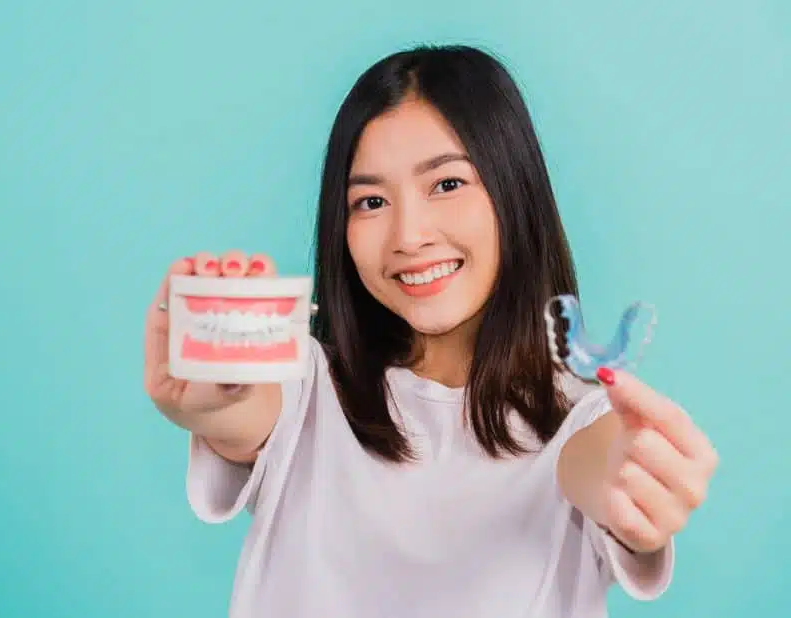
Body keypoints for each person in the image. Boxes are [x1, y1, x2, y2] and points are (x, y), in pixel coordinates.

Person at [142, 44, 718, 617]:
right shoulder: (308, 385)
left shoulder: (576, 422)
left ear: (514, 192)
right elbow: (244, 413)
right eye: (370, 201)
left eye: (446, 185)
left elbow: (597, 465)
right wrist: (217, 398)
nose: (408, 236)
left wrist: (636, 480)